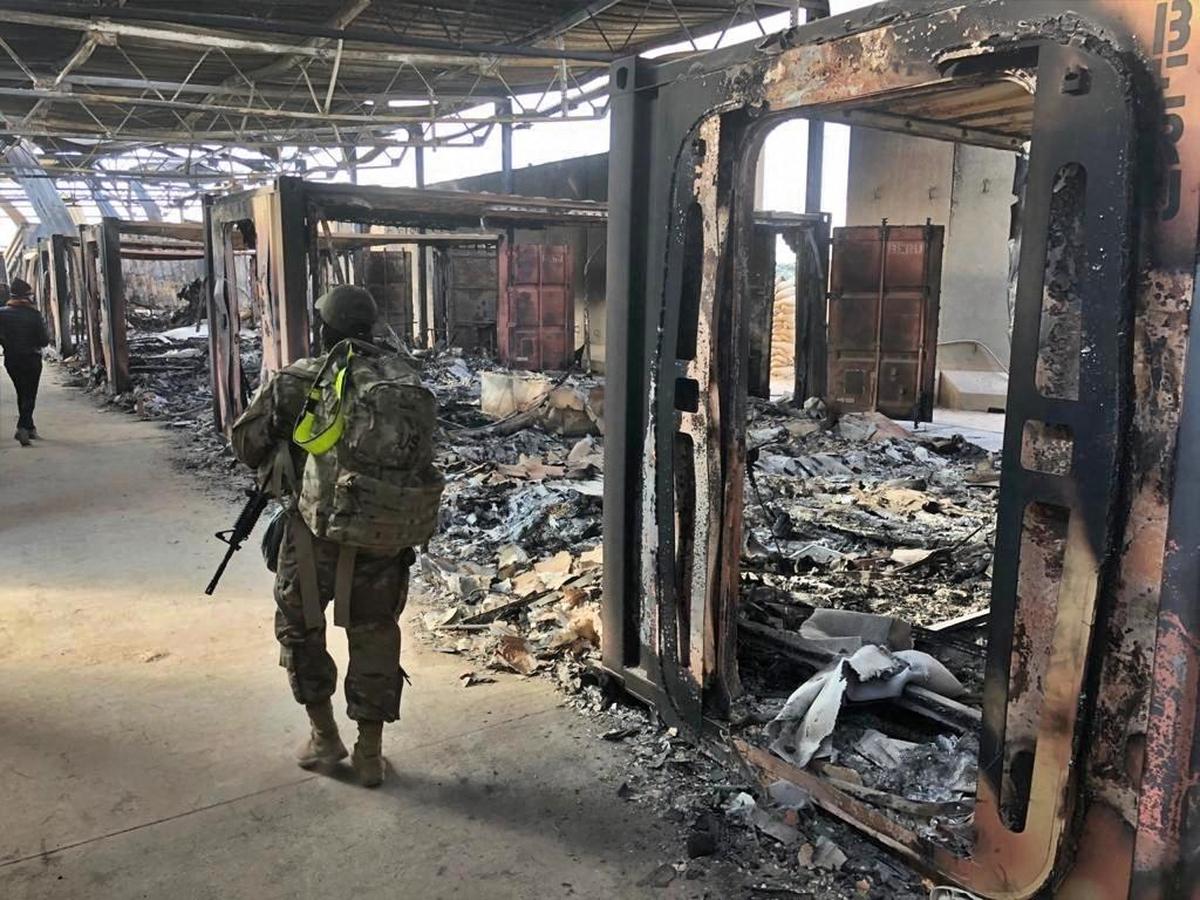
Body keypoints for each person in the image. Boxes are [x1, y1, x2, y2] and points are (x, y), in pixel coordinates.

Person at [231, 286, 439, 787]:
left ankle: (325, 736)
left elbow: (246, 444)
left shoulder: (300, 379)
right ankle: (370, 754)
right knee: (375, 633)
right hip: (384, 534)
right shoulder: (404, 378)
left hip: (314, 534)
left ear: (324, 329)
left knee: (301, 627)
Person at [0, 277, 49, 446]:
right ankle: (22, 427)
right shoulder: (34, 315)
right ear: (27, 296)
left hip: (11, 359)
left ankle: (30, 427)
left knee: (22, 393)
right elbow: (44, 340)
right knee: (29, 394)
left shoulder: (1, 314)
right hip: (31, 359)